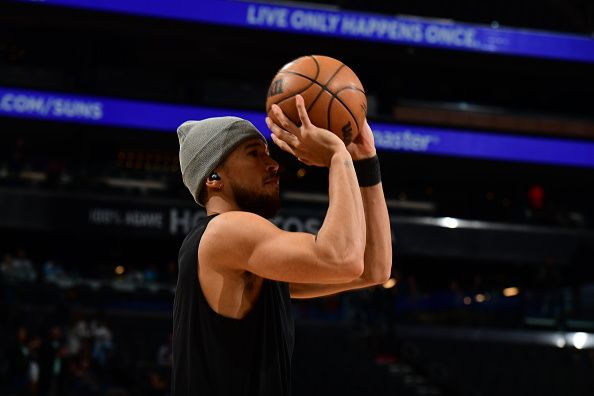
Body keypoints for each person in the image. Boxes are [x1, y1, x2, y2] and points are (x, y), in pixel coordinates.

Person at [172, 95, 392, 396]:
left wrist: (365, 160)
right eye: (254, 154)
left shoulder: (249, 258)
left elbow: (372, 269)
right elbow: (344, 259)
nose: (274, 164)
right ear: (213, 177)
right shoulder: (225, 230)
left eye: (267, 153)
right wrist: (337, 156)